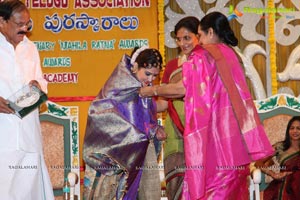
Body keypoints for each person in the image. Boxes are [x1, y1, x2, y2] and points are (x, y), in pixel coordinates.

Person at [140, 11, 274, 200]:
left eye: (199, 36)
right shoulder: (232, 55)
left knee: (212, 192)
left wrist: (151, 91)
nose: (199, 42)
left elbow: (183, 88)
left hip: (216, 143)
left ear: (210, 32)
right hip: (236, 143)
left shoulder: (204, 55)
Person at [83, 46, 166, 200]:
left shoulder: (144, 89)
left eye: (154, 76)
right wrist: (131, 136)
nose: (150, 80)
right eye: (147, 74)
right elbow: (98, 112)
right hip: (117, 153)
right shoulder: (118, 87)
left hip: (140, 151)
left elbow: (145, 117)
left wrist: (154, 130)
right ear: (135, 67)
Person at [0, 0, 54, 199]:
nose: (25, 29)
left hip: (29, 135)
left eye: (28, 24)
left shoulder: (30, 48)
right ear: (2, 22)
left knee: (29, 191)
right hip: (3, 138)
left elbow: (41, 80)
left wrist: (39, 86)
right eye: (19, 24)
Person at [158, 16, 200, 200]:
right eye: (179, 38)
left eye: (187, 38)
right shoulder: (172, 66)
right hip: (174, 129)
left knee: (200, 182)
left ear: (199, 36)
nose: (182, 43)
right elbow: (162, 102)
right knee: (176, 180)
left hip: (200, 130)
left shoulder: (206, 62)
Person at [255, 116, 300, 200]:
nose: (295, 131)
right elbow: (258, 163)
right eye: (292, 128)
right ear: (288, 131)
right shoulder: (280, 147)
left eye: (298, 128)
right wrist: (273, 174)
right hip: (285, 183)